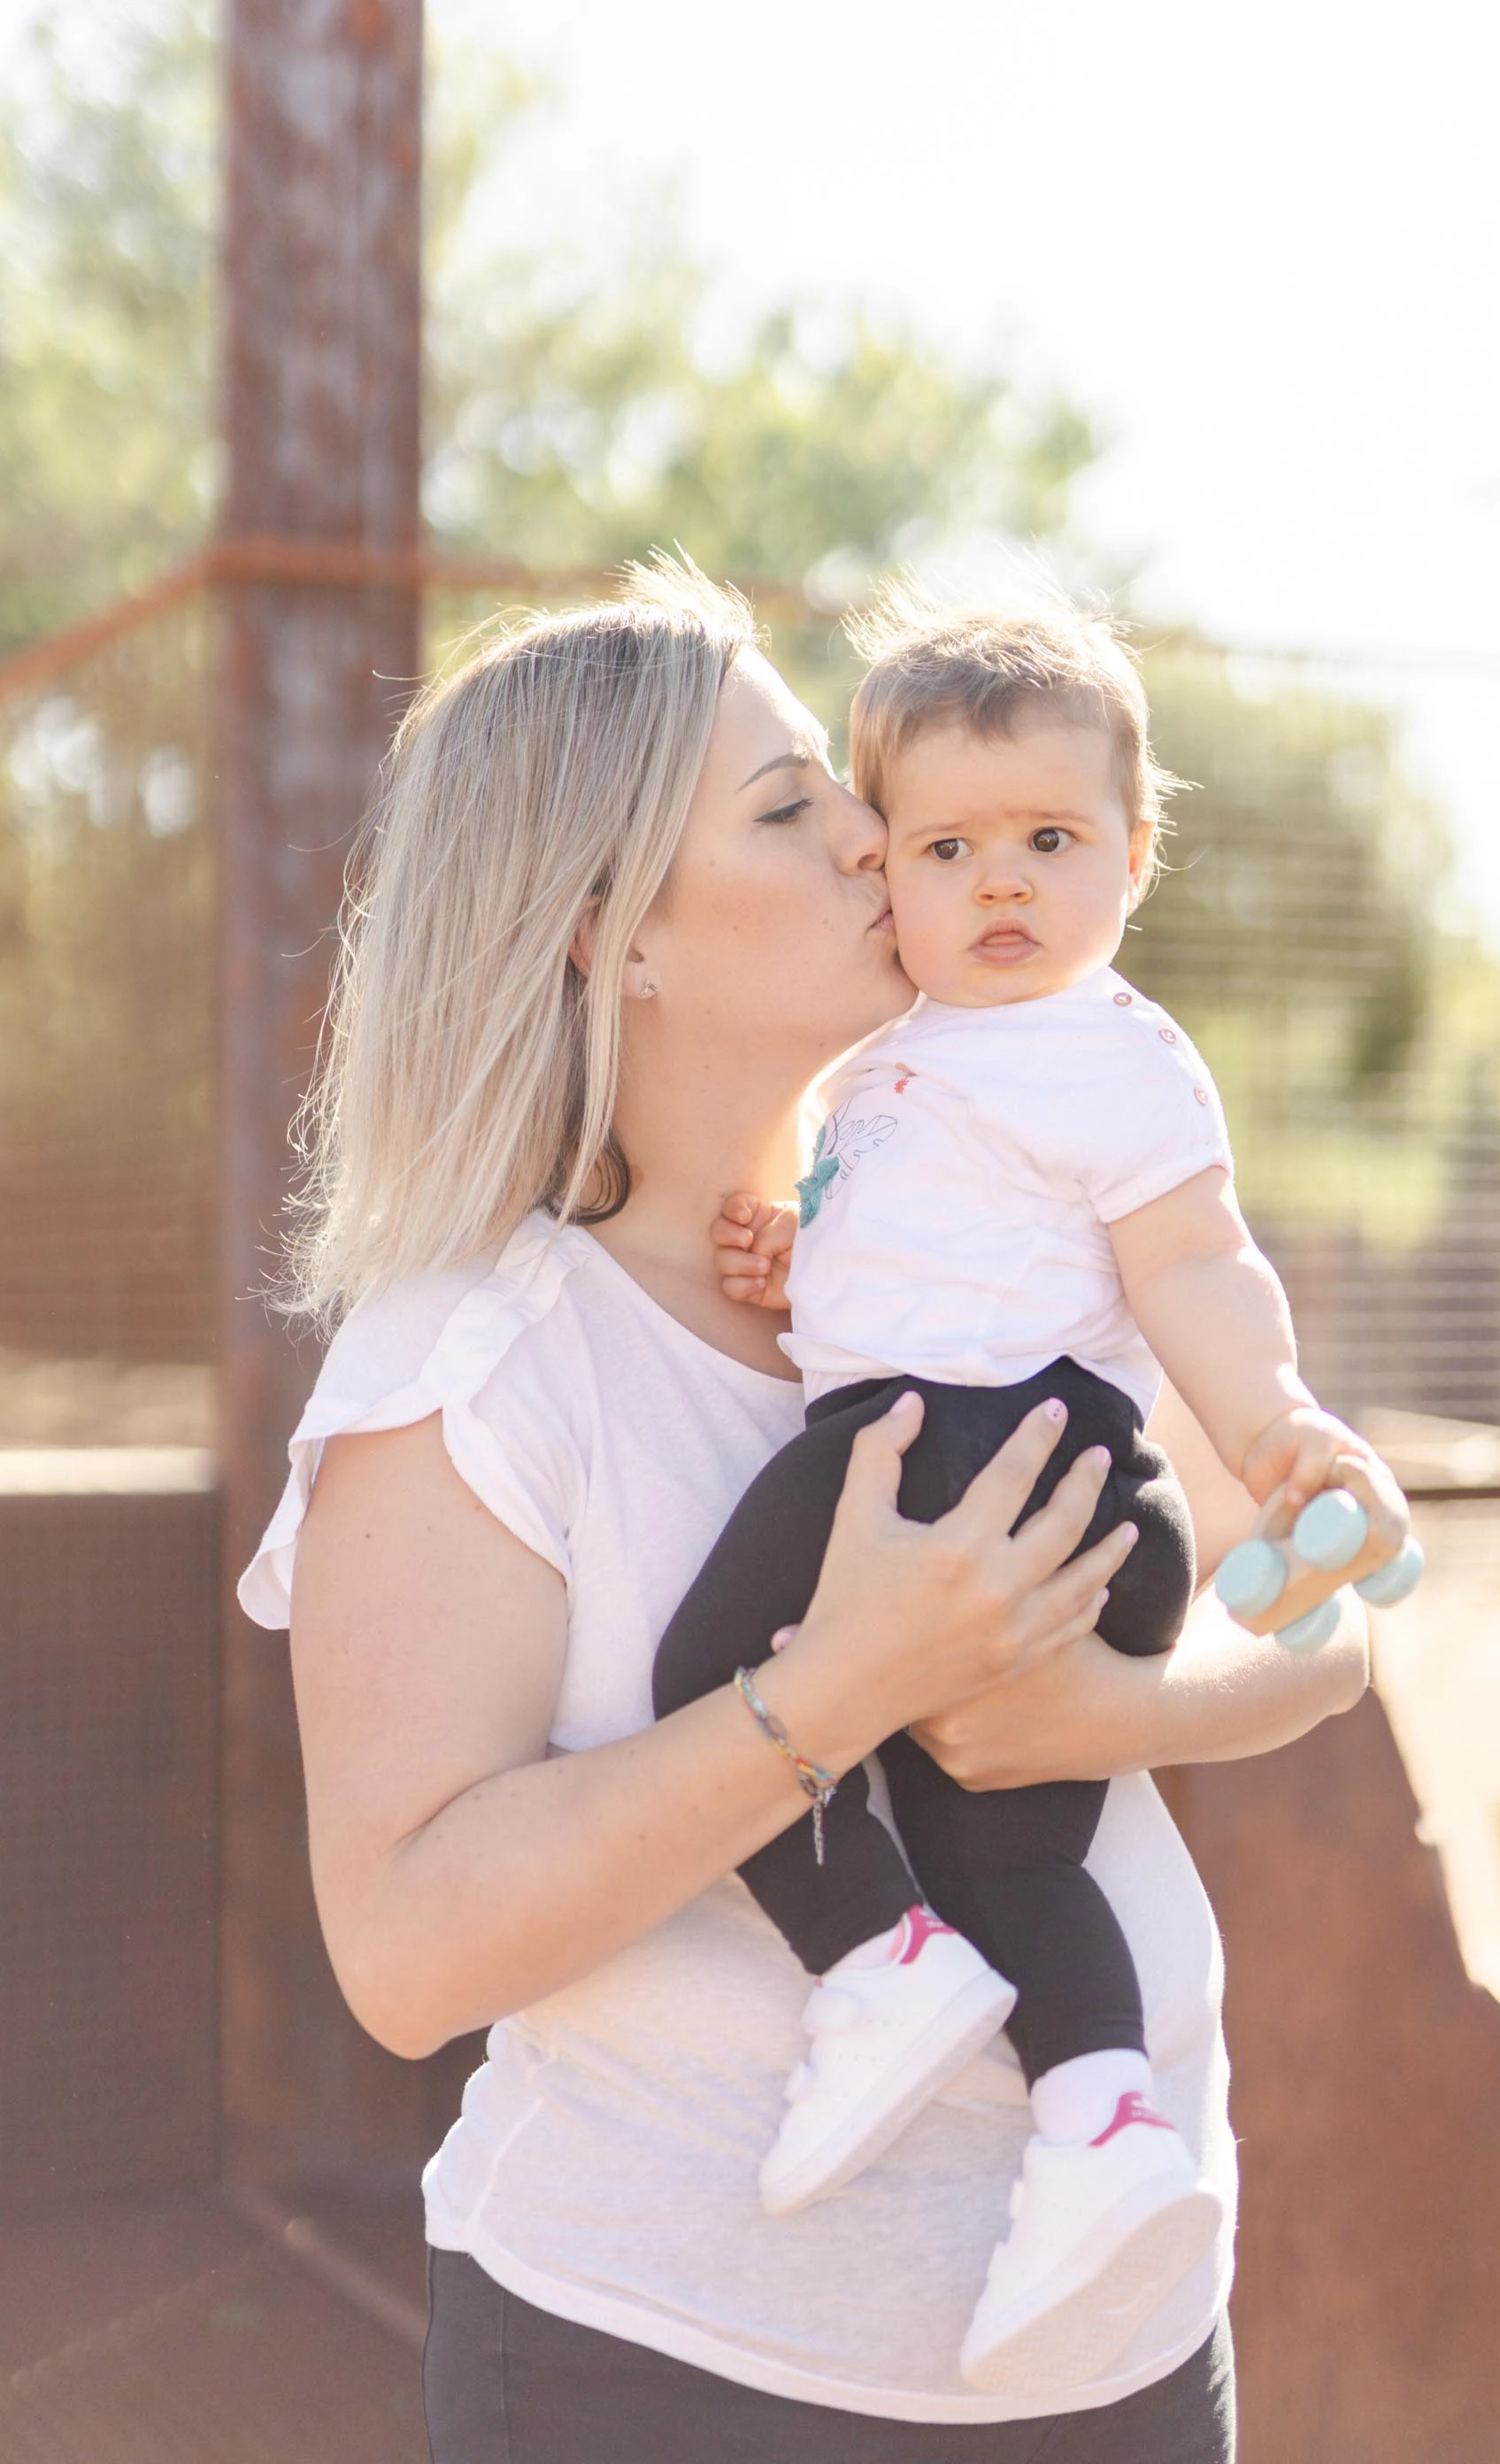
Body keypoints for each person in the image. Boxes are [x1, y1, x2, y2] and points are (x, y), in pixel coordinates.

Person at [239, 559, 1370, 2464]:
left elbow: (1322, 1606)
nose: (875, 838)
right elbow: (409, 1957)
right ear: (618, 939)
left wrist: (1113, 1719)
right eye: (790, 807)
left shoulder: (996, 1222)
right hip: (683, 2378)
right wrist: (826, 1696)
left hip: (1125, 2343)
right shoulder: (473, 1366)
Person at [651, 589, 1410, 2395]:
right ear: (884, 873)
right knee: (1009, 1840)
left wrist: (1278, 1422)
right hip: (1010, 1455)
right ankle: (1098, 2122)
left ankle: (879, 1969)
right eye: (948, 847)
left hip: (988, 1452)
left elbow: (1198, 1266)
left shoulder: (1111, 1049)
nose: (1000, 885)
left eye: (1050, 842)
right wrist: (800, 1257)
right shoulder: (887, 1068)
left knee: (707, 1687)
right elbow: (927, 1241)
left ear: (1135, 861)